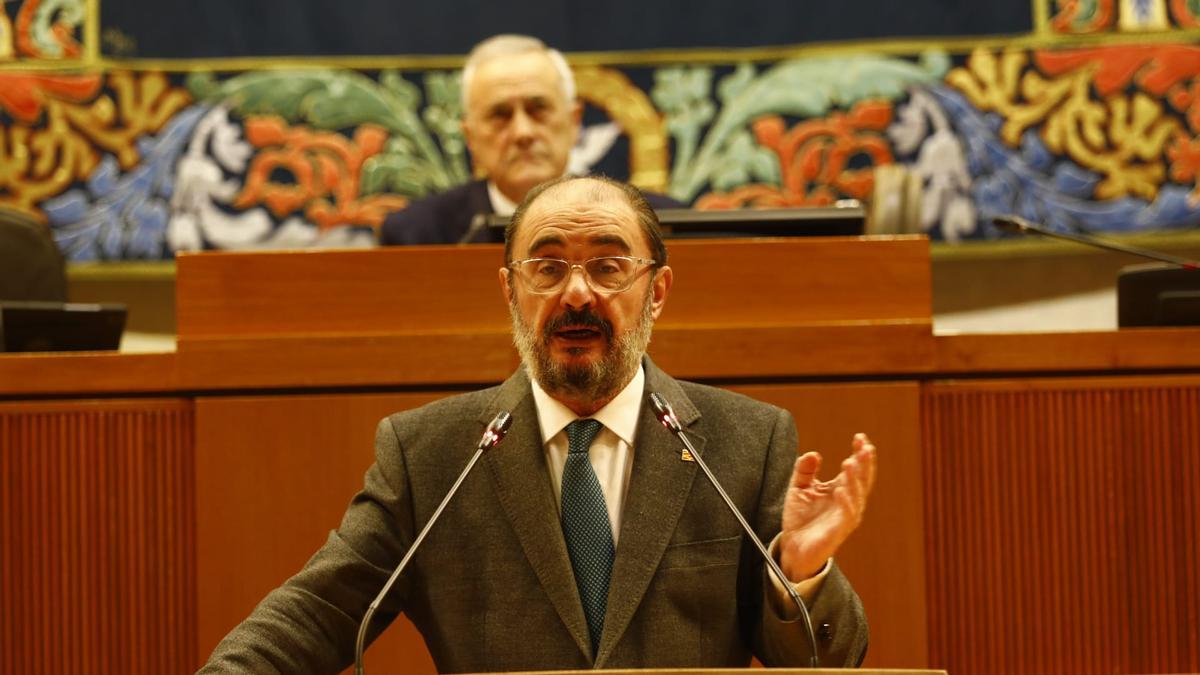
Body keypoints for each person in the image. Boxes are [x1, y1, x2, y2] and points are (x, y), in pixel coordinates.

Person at [200, 176, 875, 673]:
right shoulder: (431, 453)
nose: (577, 293)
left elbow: (828, 659)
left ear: (657, 291)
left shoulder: (746, 442)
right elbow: (314, 614)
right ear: (510, 290)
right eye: (548, 267)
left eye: (608, 266)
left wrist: (804, 571)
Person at [378, 35, 682, 245]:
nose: (523, 132)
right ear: (470, 136)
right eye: (500, 115)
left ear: (574, 122)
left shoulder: (661, 224)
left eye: (539, 110)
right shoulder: (416, 235)